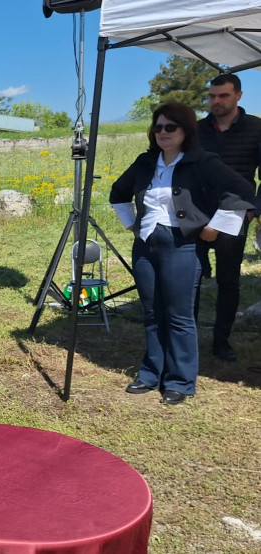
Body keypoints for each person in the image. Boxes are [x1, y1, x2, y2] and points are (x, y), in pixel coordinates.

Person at [110, 103, 254, 406]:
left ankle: (180, 381)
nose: (163, 132)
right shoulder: (146, 162)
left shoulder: (202, 161)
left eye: (170, 127)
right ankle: (151, 374)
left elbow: (242, 191)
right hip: (146, 245)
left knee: (179, 316)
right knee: (152, 313)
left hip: (182, 246)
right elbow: (118, 191)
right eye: (158, 127)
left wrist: (214, 227)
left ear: (186, 130)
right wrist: (131, 223)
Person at [195, 73, 261, 362]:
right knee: (191, 278)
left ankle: (221, 340)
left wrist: (254, 209)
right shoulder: (197, 130)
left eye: (223, 96)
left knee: (228, 280)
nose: (216, 101)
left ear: (238, 96)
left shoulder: (256, 128)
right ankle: (187, 337)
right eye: (212, 96)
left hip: (236, 213)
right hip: (197, 214)